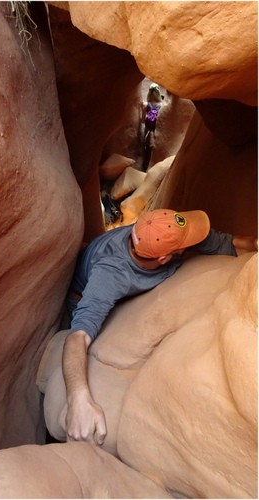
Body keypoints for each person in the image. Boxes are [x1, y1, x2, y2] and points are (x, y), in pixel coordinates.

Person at [63, 209, 257, 445]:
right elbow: (78, 335)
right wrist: (78, 398)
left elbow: (228, 243)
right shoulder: (110, 275)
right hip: (83, 293)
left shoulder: (154, 232)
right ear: (165, 258)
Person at [141, 83, 163, 169]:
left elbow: (142, 120)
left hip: (148, 127)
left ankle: (145, 165)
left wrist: (142, 109)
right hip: (156, 129)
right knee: (153, 147)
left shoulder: (147, 104)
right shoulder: (161, 106)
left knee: (147, 147)